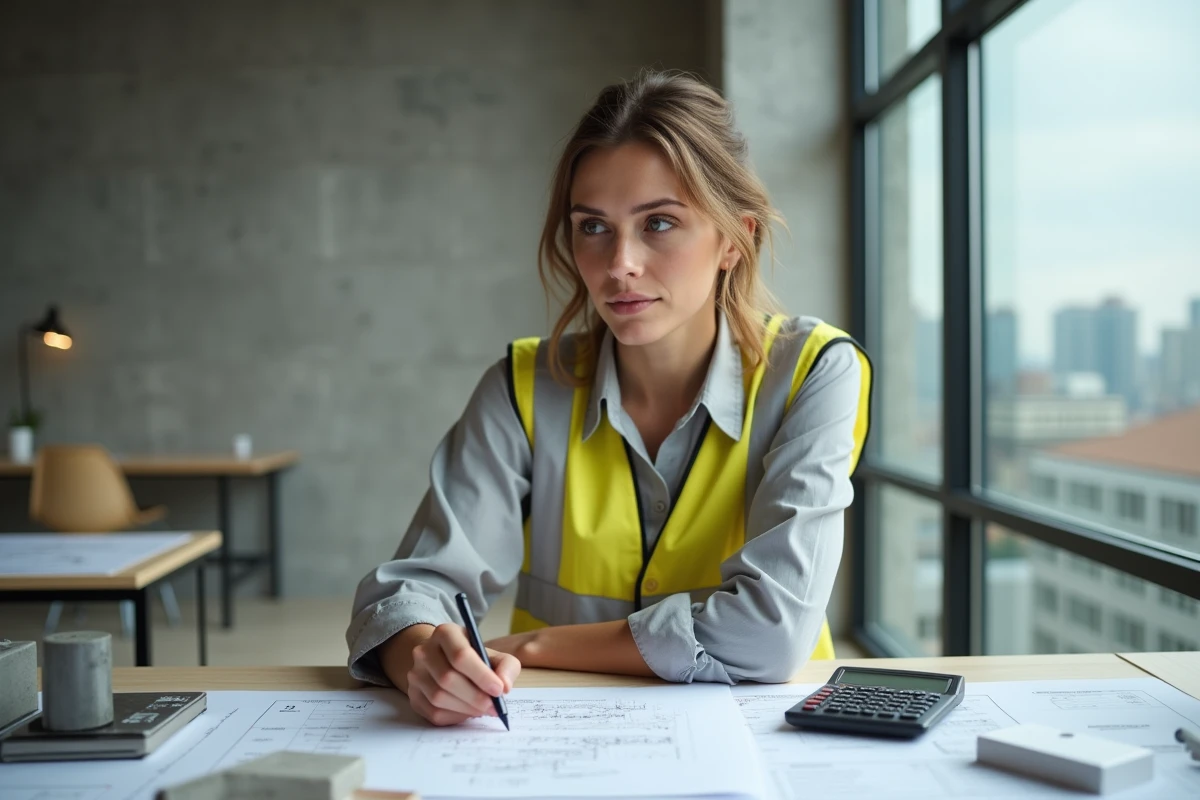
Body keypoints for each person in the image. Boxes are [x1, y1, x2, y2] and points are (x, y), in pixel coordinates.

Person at [346, 70, 872, 727]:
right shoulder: (521, 387)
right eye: (593, 227)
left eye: (659, 223)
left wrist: (534, 647)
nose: (619, 262)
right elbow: (410, 591)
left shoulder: (815, 372)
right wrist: (423, 660)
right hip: (555, 743)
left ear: (734, 239)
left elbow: (772, 633)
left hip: (767, 737)